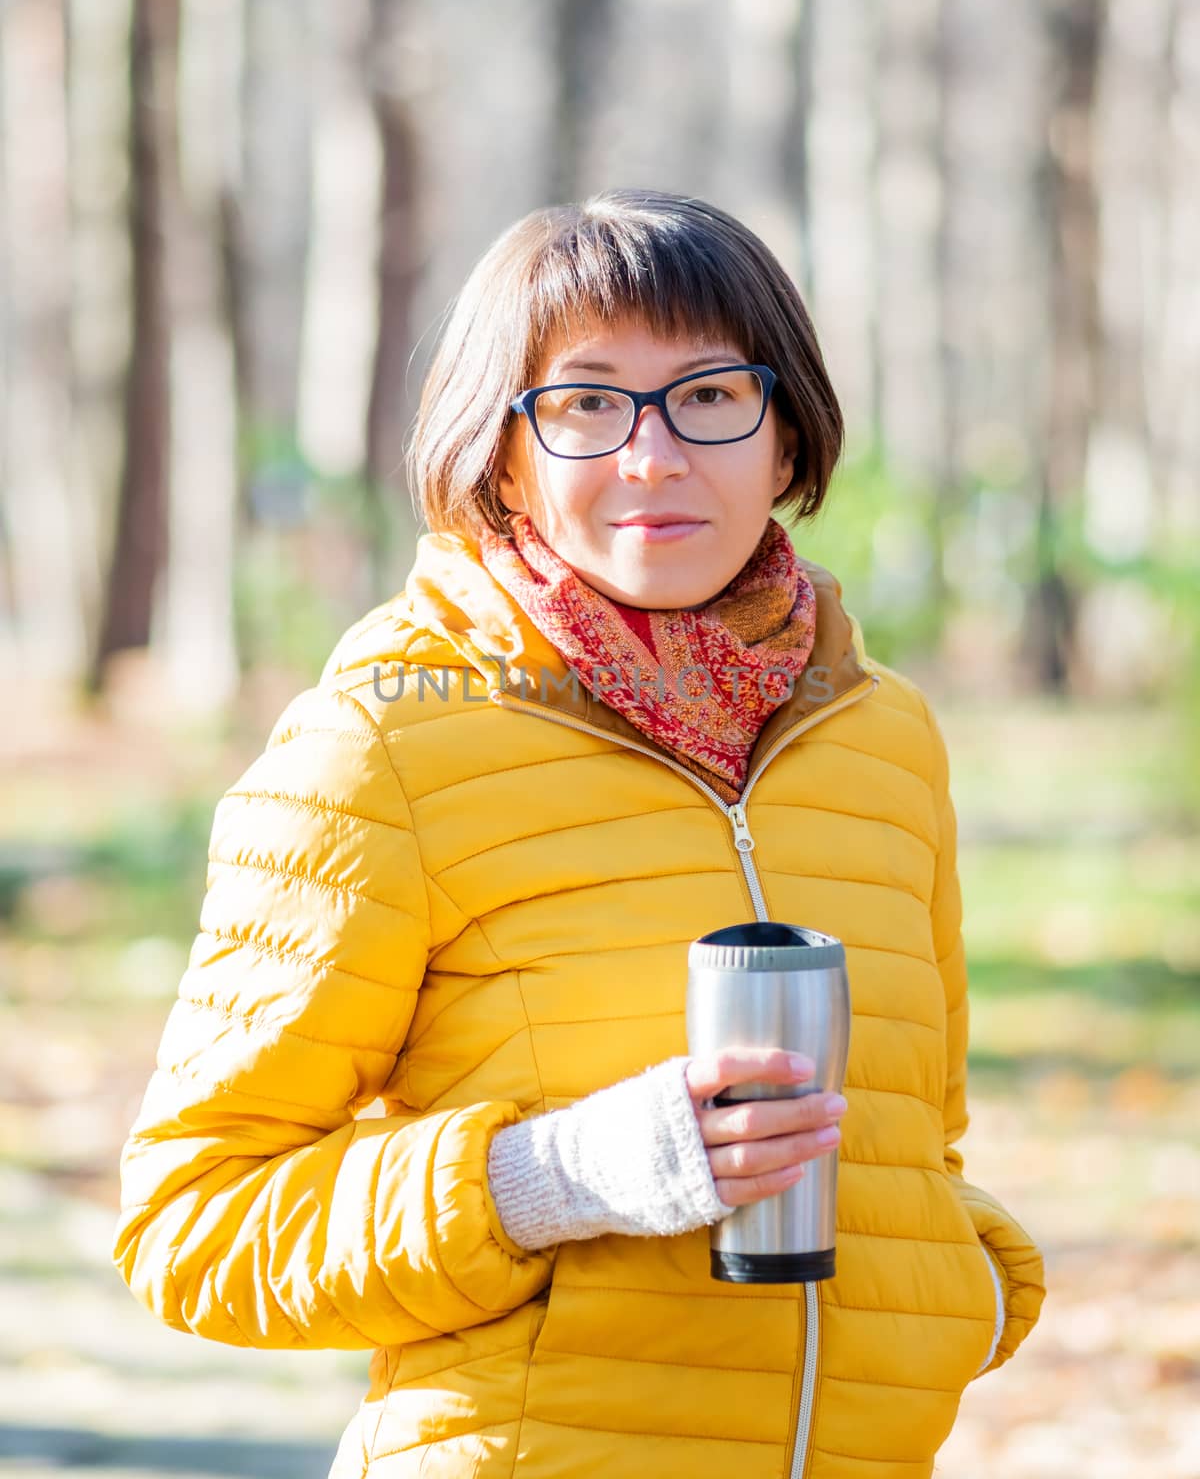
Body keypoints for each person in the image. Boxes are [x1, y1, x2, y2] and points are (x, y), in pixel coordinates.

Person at [113, 188, 1045, 1479]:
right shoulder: (380, 743)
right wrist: (562, 1176)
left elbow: (919, 1139)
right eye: (588, 403)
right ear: (500, 452)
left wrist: (962, 1283)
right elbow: (193, 1226)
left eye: (712, 394)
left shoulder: (884, 742)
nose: (653, 457)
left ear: (786, 439)